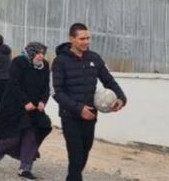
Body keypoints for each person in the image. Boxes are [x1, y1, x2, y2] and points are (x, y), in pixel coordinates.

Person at [52, 23, 127, 181]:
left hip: (90, 116)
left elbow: (109, 81)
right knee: (76, 155)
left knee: (84, 152)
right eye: (82, 39)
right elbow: (57, 92)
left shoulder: (94, 58)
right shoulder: (60, 61)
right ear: (72, 39)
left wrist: (121, 98)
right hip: (70, 115)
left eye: (88, 38)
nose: (86, 42)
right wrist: (79, 109)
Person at [0, 42, 52, 180]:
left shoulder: (45, 66)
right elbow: (14, 84)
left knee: (32, 135)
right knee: (14, 138)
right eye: (38, 53)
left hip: (33, 108)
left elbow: (46, 86)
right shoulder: (19, 62)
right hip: (14, 106)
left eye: (43, 53)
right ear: (31, 52)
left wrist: (42, 101)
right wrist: (25, 102)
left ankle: (25, 168)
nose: (41, 56)